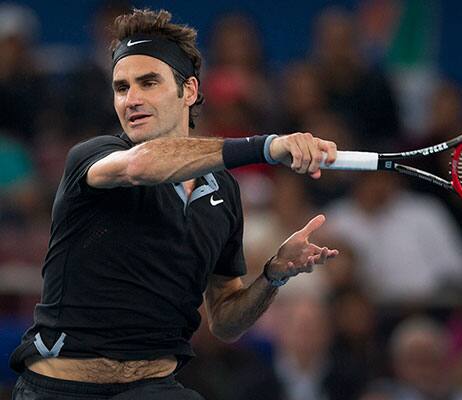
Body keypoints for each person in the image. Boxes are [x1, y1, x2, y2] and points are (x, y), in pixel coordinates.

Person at [10, 8, 339, 400]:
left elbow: (226, 322)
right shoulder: (95, 157)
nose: (131, 99)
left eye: (148, 82)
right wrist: (268, 146)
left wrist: (273, 275)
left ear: (190, 90)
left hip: (153, 388)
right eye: (121, 87)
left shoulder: (223, 194)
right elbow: (143, 163)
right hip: (62, 389)